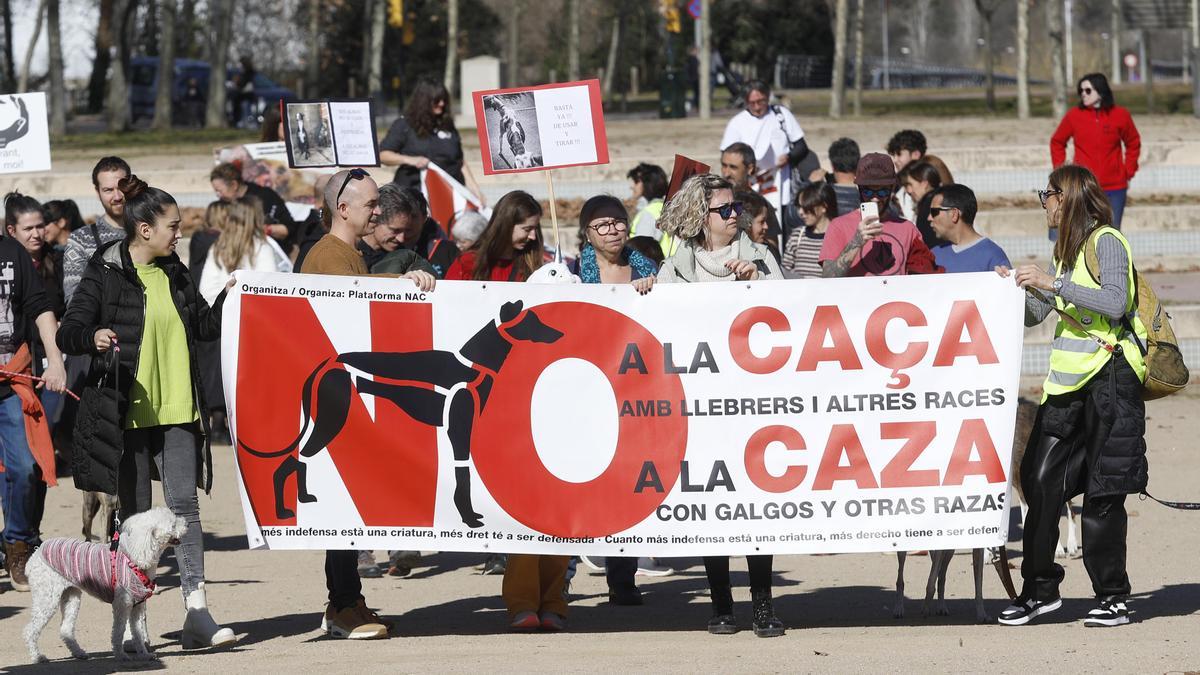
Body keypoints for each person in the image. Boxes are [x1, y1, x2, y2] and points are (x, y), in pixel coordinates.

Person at [55, 175, 236, 648]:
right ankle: (135, 627)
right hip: (124, 413)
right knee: (134, 520)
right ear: (144, 229)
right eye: (173, 225)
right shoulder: (104, 270)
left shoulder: (175, 269)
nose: (180, 233)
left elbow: (204, 324)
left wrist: (234, 294)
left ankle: (197, 611)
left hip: (177, 408)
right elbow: (68, 331)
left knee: (184, 510)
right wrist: (91, 338)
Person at [995, 164, 1147, 628]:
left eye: (1049, 194)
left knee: (1104, 491)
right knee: (1038, 480)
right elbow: (1039, 313)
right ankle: (1040, 590)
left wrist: (1052, 283)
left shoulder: (1106, 241)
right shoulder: (1064, 250)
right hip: (1067, 385)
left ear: (1069, 198)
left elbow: (1116, 302)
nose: (1044, 202)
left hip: (1113, 381)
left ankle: (1113, 597)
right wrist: (1012, 288)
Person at [296, 168, 432, 640]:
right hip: (338, 394)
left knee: (351, 506)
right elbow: (350, 322)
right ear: (344, 208)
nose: (378, 210)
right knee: (342, 505)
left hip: (349, 392)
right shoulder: (330, 257)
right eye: (372, 204)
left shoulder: (349, 254)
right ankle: (341, 605)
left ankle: (349, 601)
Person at [654, 173, 784, 637]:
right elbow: (658, 322)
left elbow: (788, 315)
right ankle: (721, 604)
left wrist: (759, 283)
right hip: (702, 407)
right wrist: (649, 292)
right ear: (699, 216)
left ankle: (764, 604)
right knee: (714, 506)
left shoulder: (761, 256)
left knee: (755, 506)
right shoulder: (676, 266)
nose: (735, 217)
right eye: (725, 210)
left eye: (737, 209)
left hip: (753, 404)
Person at [0, 193, 68, 592]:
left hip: (14, 383)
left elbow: (41, 309)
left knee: (25, 468)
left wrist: (56, 360)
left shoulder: (12, 253)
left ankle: (18, 544)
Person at [819, 153, 941, 278]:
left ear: (892, 189)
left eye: (882, 191)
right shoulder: (839, 226)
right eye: (868, 191)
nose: (875, 198)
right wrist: (856, 241)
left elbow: (924, 279)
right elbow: (828, 277)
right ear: (858, 188)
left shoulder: (908, 229)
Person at [1050, 73, 1140, 230]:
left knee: (1111, 233)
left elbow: (1133, 143)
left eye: (1088, 90)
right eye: (1081, 91)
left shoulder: (1121, 115)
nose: (1083, 94)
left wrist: (1128, 172)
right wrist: (1063, 172)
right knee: (1081, 232)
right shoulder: (1074, 116)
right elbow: (1057, 142)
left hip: (1115, 189)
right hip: (1084, 188)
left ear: (1101, 90)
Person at [379, 79, 485, 206]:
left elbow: (459, 161)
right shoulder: (404, 125)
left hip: (450, 195)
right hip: (413, 197)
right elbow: (383, 155)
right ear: (424, 101)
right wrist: (410, 160)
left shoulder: (447, 125)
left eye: (444, 100)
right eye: (437, 100)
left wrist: (475, 189)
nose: (441, 104)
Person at [719, 80, 810, 211]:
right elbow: (726, 157)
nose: (757, 107)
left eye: (761, 101)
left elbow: (801, 146)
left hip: (781, 185)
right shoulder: (736, 123)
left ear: (768, 97)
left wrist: (788, 157)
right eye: (752, 103)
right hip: (750, 188)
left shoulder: (781, 114)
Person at [63, 157, 131, 304]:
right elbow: (74, 300)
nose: (117, 196)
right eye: (108, 190)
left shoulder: (150, 232)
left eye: (122, 187)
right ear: (97, 192)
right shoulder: (81, 239)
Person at [445, 191, 545, 282]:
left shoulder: (533, 265)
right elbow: (450, 297)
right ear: (507, 226)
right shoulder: (468, 263)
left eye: (535, 229)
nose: (533, 236)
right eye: (527, 229)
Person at [210, 162, 298, 248]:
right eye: (216, 192)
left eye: (219, 191)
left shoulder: (265, 197)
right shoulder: (222, 205)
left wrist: (264, 229)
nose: (218, 195)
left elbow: (288, 229)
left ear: (234, 185)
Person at [927, 184, 1010, 273]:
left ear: (954, 214)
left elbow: (1008, 286)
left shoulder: (993, 256)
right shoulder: (933, 255)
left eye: (934, 212)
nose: (929, 218)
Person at [782, 181, 836, 279]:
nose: (800, 212)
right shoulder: (797, 235)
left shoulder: (838, 235)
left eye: (806, 207)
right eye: (799, 207)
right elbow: (784, 271)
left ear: (823, 207)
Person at [899, 160, 948, 249]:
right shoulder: (946, 199)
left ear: (925, 184)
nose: (908, 191)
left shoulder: (928, 205)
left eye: (909, 185)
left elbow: (931, 244)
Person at [887, 129, 927, 222]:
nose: (895, 160)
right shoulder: (894, 185)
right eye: (893, 155)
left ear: (916, 154)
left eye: (899, 154)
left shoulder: (932, 183)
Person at [627, 163, 669, 245]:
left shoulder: (648, 214)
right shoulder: (668, 207)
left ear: (647, 183)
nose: (632, 186)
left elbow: (642, 250)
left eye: (636, 182)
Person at [821, 137, 862, 217]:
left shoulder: (822, 196)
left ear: (832, 166)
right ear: (858, 163)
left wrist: (810, 185)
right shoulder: (870, 194)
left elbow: (793, 215)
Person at [737, 190, 781, 263]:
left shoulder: (769, 252)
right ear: (745, 223)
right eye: (762, 222)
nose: (766, 226)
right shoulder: (731, 253)